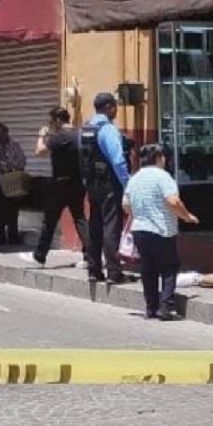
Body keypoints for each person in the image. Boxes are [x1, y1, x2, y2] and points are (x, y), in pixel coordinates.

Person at [123, 143, 199, 320]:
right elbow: (173, 202)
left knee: (148, 269)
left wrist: (141, 213)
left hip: (140, 230)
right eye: (163, 156)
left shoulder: (134, 178)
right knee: (169, 268)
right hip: (161, 230)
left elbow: (125, 205)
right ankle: (166, 307)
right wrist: (187, 216)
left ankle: (151, 308)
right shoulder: (163, 177)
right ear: (158, 158)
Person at [21, 107, 89, 266]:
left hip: (60, 184)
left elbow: (39, 151)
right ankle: (90, 256)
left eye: (51, 121)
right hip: (78, 183)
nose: (51, 124)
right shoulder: (78, 134)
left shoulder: (60, 137)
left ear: (58, 120)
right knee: (80, 219)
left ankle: (39, 255)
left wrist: (42, 135)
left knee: (49, 221)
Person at [79, 92, 131, 284]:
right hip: (109, 183)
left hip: (92, 184)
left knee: (95, 226)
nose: (116, 110)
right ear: (109, 107)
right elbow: (118, 161)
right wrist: (128, 184)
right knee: (111, 226)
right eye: (115, 106)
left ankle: (94, 270)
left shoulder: (86, 128)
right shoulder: (108, 130)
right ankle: (114, 272)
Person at [0, 123, 27, 246]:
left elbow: (22, 161)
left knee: (12, 211)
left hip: (11, 182)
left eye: (4, 132)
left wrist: (11, 166)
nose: (2, 135)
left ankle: (13, 236)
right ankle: (0, 236)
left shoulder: (13, 146)